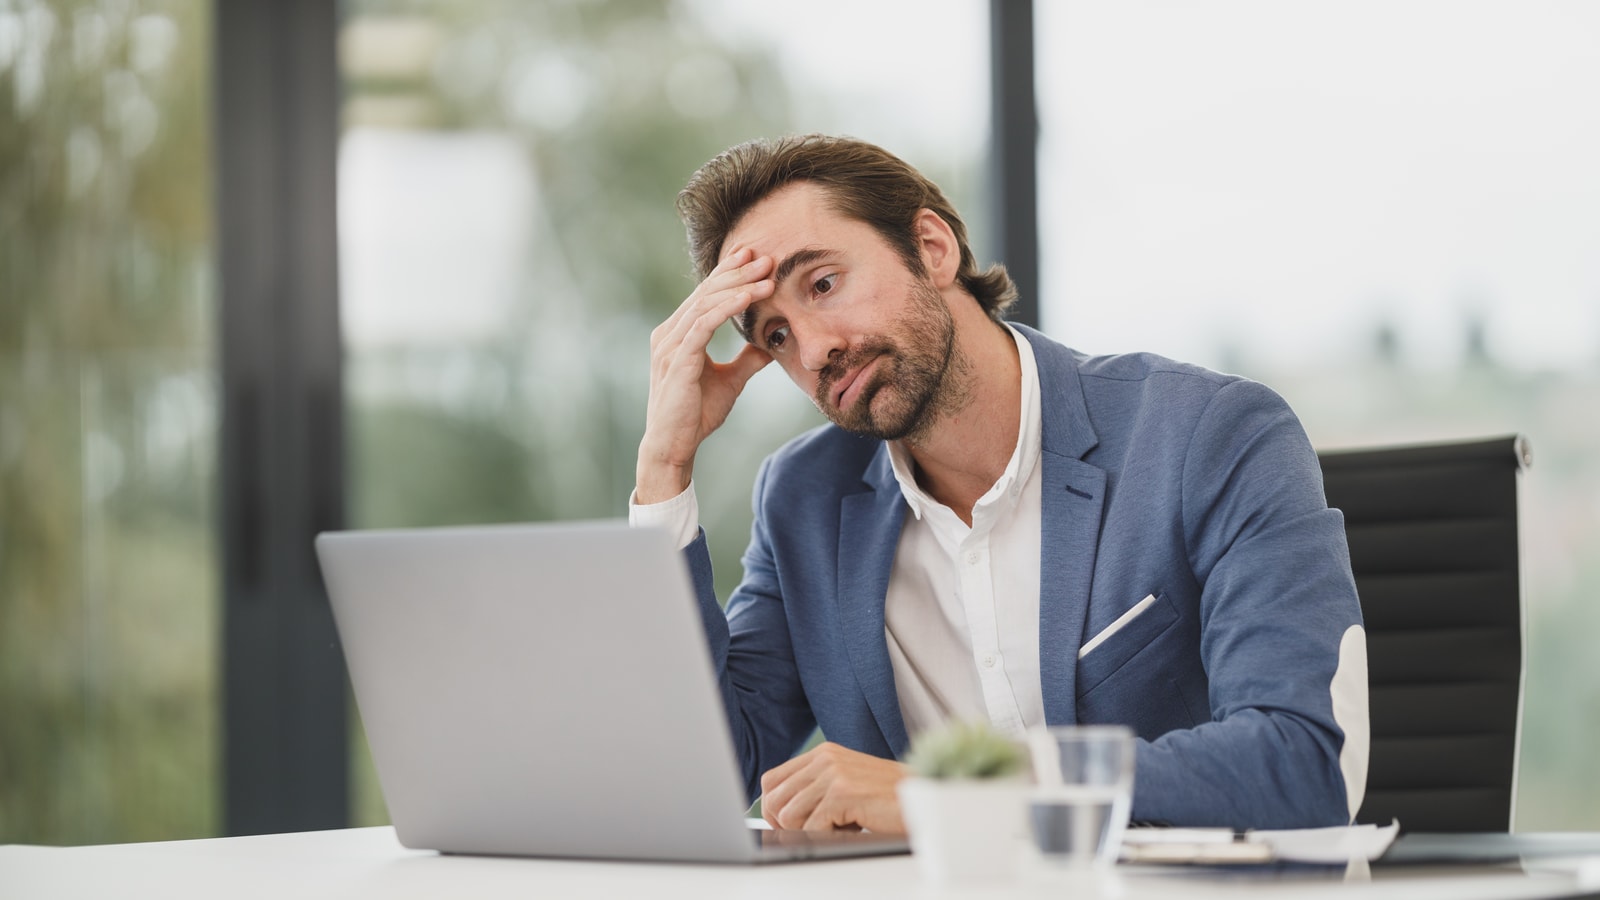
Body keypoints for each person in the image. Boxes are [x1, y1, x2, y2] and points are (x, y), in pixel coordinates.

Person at [631, 134, 1368, 834]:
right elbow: (702, 771)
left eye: (823, 284)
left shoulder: (1206, 436)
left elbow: (1299, 764)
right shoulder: (804, 501)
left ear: (932, 248)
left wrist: (957, 797)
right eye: (776, 336)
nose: (816, 348)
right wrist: (664, 472)